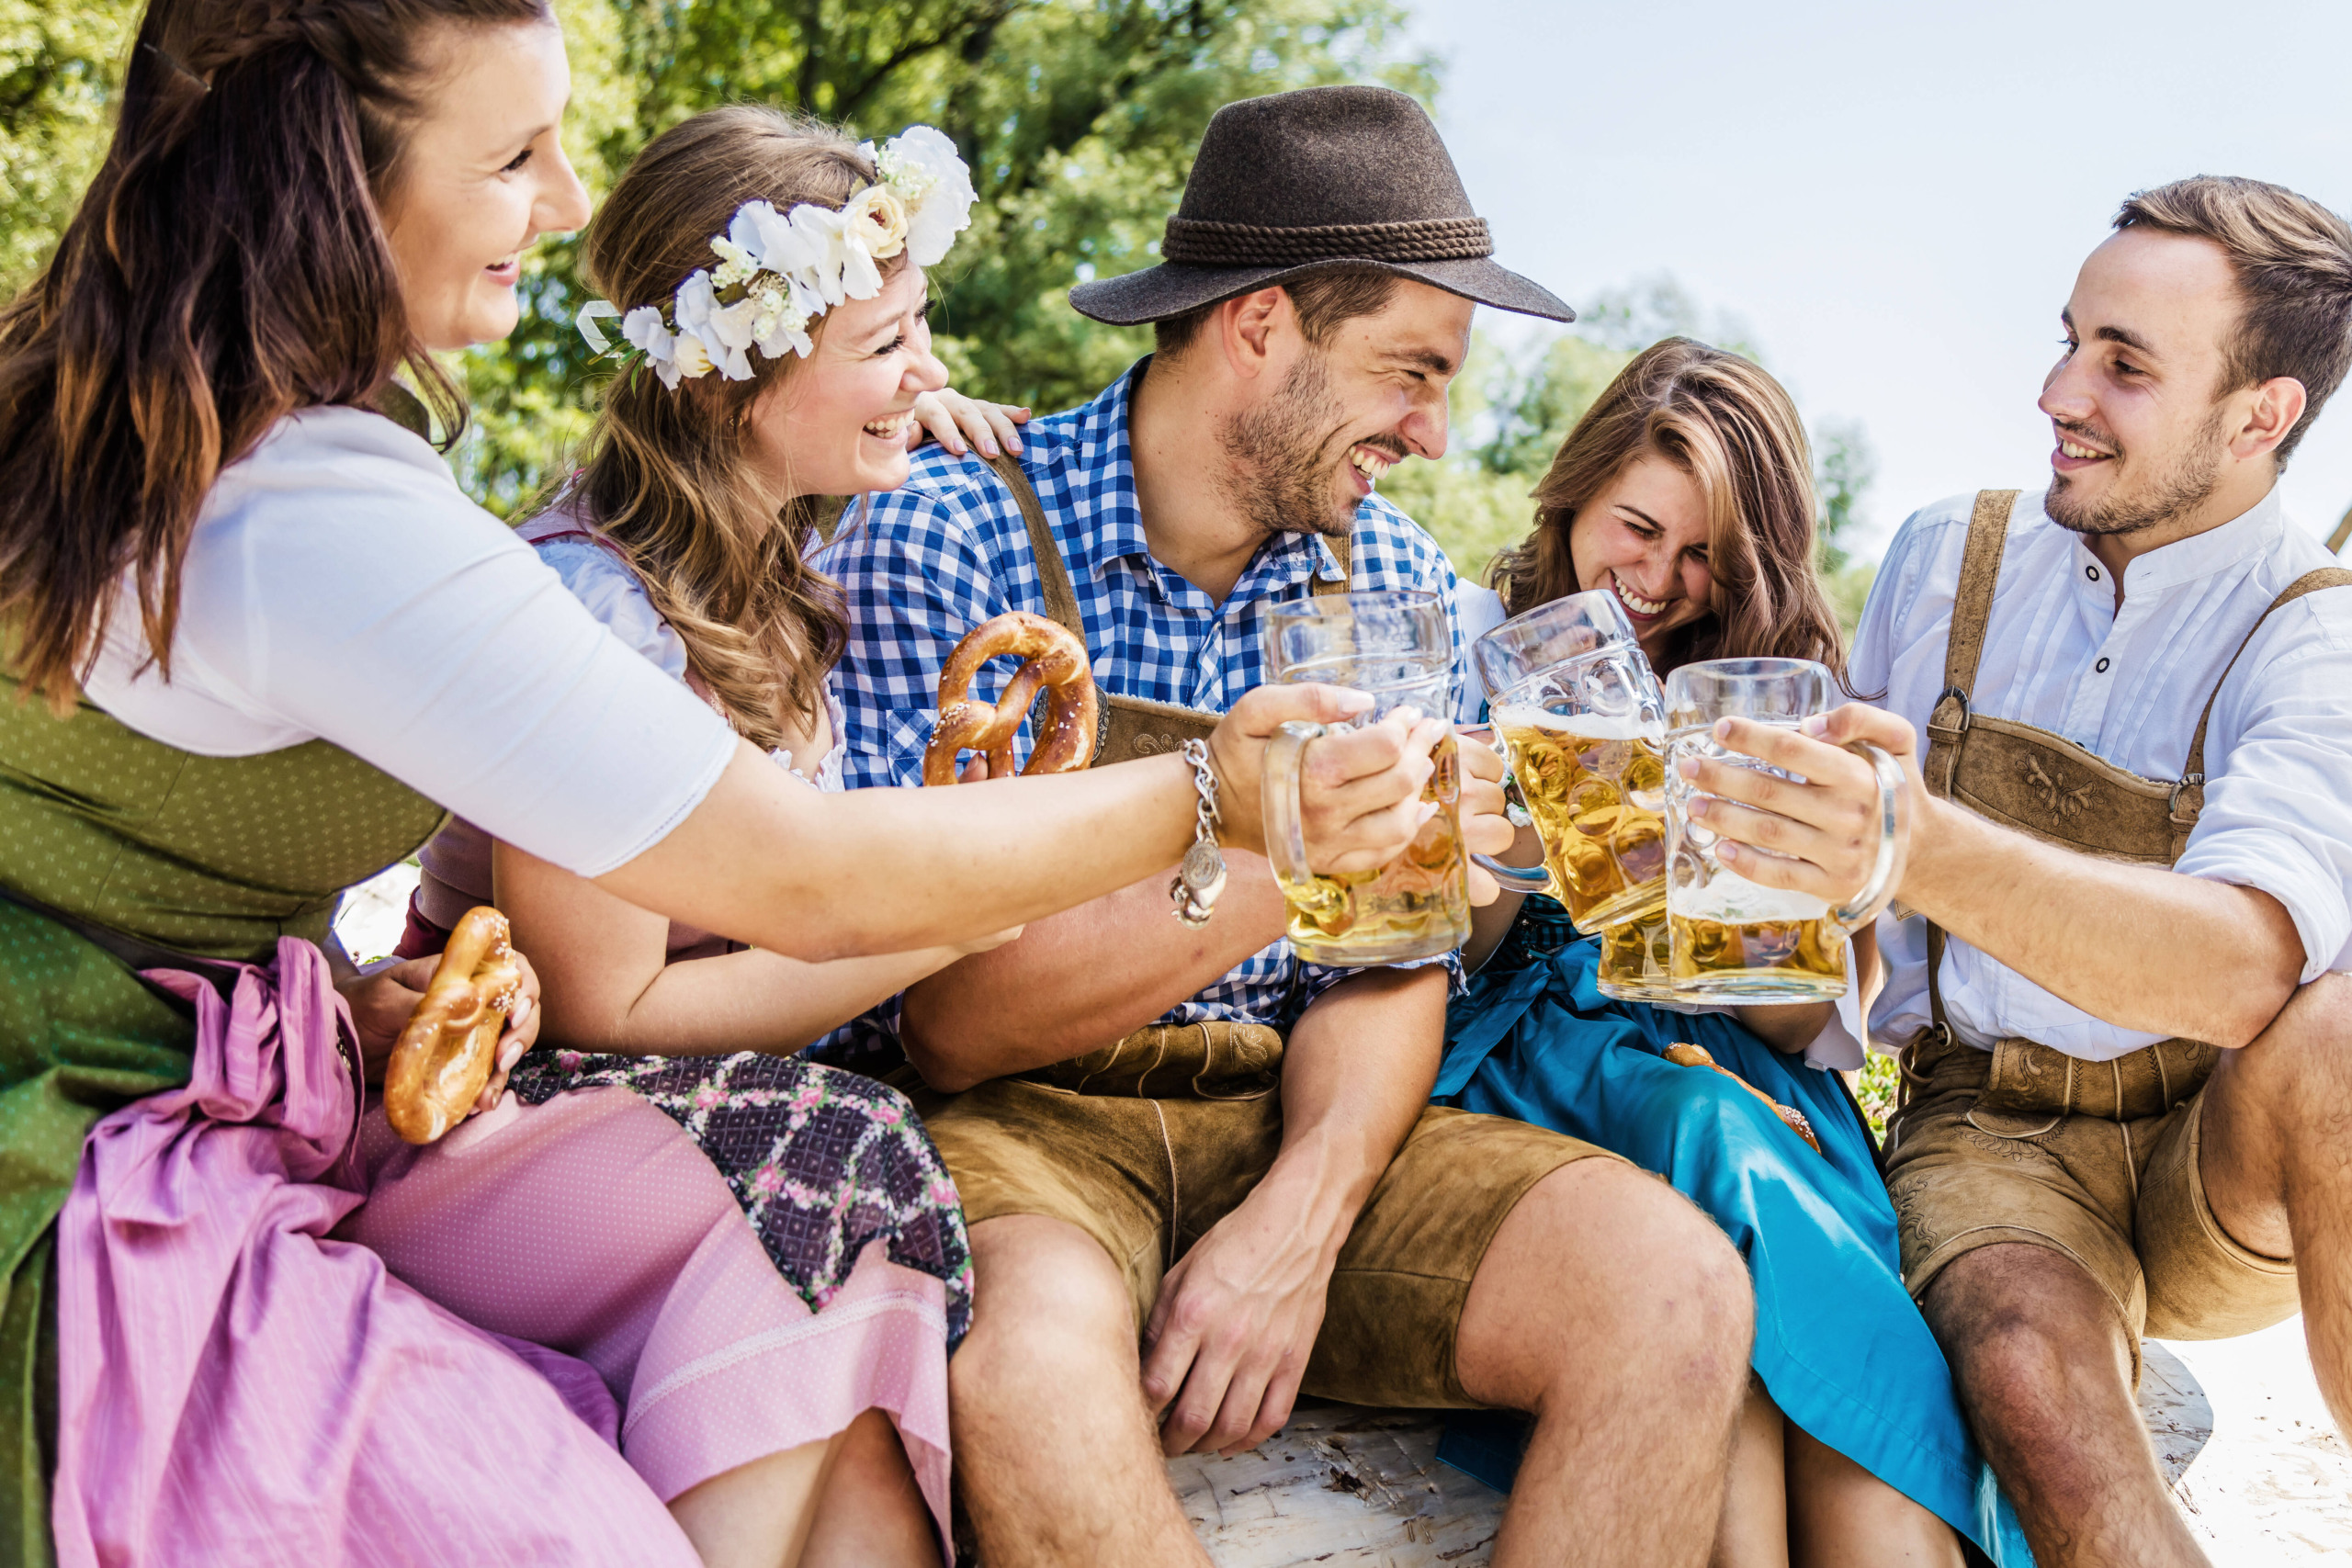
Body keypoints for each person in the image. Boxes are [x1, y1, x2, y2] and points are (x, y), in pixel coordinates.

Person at [0, 7, 1439, 1562]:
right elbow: (801, 881)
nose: (564, 202)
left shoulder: (211, 444)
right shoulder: (343, 520)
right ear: (330, 181)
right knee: (824, 1187)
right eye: (512, 156)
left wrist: (339, 989)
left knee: (853, 1270)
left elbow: (148, 829)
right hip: (103, 1163)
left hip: (261, 1072)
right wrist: (1227, 798)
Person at [831, 85, 1756, 1568]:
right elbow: (945, 1023)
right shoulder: (949, 531)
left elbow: (1388, 968)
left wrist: (1301, 1223)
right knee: (1025, 1372)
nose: (1437, 433)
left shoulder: (1386, 574)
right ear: (1259, 327)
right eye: (1408, 372)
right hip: (1023, 1135)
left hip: (1296, 1113)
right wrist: (1281, 850)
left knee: (1674, 1291)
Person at [345, 107, 1047, 1567]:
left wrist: (901, 386)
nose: (925, 377)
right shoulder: (596, 602)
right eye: (886, 345)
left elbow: (859, 388)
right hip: (499, 1127)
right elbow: (612, 1006)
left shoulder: (767, 550)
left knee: (861, 1398)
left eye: (926, 332)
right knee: (850, 1145)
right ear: (732, 388)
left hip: (666, 1123)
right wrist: (946, 917)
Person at [1689, 176, 2352, 1568]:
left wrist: (1920, 842)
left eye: (2124, 366)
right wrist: (1765, 868)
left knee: (2343, 1034)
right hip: (1988, 1133)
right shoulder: (1948, 556)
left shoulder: (2316, 634)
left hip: (2213, 1147)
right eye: (2069, 339)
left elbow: (2245, 970)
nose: (2059, 390)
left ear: (2260, 416)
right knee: (2032, 1387)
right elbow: (1847, 955)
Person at [1437, 337, 2031, 1567]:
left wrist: (1732, 915)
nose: (1658, 579)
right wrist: (1500, 830)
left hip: (1740, 1069)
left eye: (1703, 554)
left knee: (1771, 1253)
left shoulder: (1771, 694)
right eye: (1637, 528)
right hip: (1534, 1056)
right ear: (1575, 491)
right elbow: (1466, 952)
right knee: (1714, 1163)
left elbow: (1798, 1015)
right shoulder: (1481, 637)